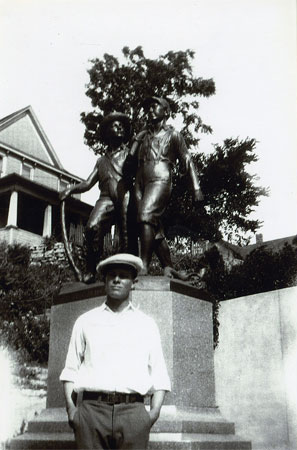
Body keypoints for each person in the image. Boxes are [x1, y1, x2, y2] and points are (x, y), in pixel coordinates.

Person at [60, 253, 171, 450]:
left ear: (133, 283)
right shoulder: (85, 321)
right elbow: (70, 369)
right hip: (92, 414)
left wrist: (151, 415)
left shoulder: (146, 324)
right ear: (104, 281)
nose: (117, 280)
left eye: (123, 275)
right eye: (112, 275)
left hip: (133, 415)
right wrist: (72, 411)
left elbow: (160, 374)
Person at [130, 96, 204, 275]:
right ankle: (168, 266)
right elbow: (130, 161)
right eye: (148, 107)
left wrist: (196, 188)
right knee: (149, 225)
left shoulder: (173, 135)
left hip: (160, 178)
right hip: (140, 182)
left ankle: (143, 266)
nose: (150, 110)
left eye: (155, 106)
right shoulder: (144, 136)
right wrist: (137, 139)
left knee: (146, 215)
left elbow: (187, 160)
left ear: (166, 112)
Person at [60, 112, 135, 284]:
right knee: (92, 227)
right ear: (108, 132)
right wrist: (70, 189)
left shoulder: (129, 154)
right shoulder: (101, 161)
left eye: (122, 126)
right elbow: (87, 183)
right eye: (115, 126)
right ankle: (91, 270)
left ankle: (128, 269)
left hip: (125, 197)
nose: (120, 128)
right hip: (106, 198)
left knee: (126, 235)